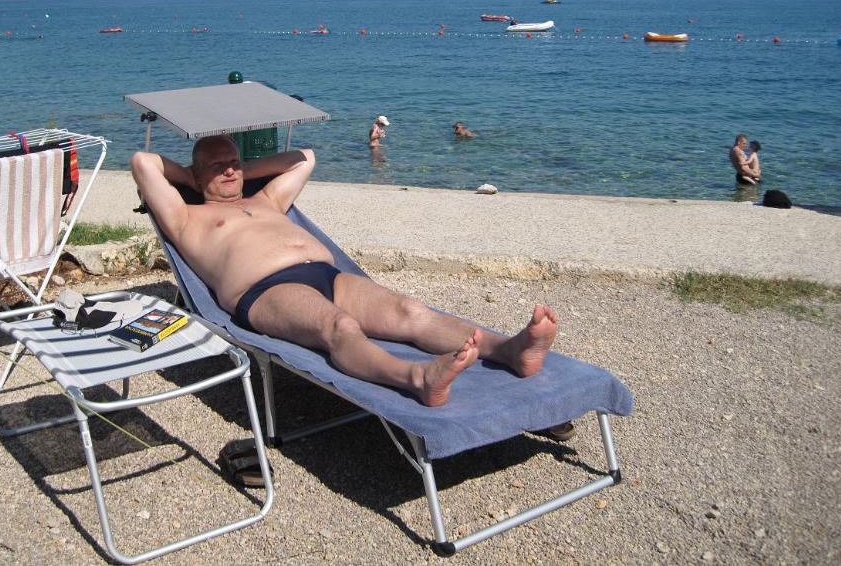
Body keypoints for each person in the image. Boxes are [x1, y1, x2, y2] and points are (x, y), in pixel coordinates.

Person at [131, 136, 559, 408]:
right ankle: (416, 378)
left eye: (233, 163)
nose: (229, 170)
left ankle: (509, 350)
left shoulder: (266, 200)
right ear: (194, 175)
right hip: (264, 291)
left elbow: (304, 158)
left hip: (327, 276)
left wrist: (237, 169)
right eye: (217, 166)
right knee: (340, 327)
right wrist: (191, 178)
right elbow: (143, 162)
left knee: (410, 311)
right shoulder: (187, 218)